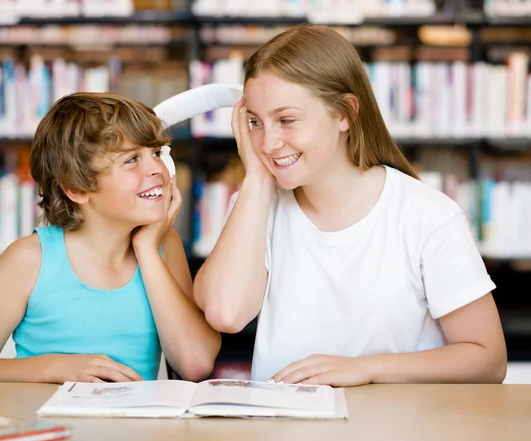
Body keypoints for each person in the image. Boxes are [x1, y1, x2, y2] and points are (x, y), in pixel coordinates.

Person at [193, 25, 507, 386]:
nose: (268, 142)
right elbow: (225, 313)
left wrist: (365, 368)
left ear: (344, 113)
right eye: (255, 123)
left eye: (287, 120)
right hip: (284, 435)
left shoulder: (427, 216)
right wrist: (256, 182)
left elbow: (488, 360)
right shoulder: (255, 203)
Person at [0, 92, 221, 383]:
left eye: (157, 153)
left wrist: (147, 249)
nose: (157, 169)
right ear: (76, 188)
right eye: (131, 160)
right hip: (48, 423)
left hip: (133, 426)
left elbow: (195, 364)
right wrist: (57, 368)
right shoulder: (29, 259)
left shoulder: (163, 245)